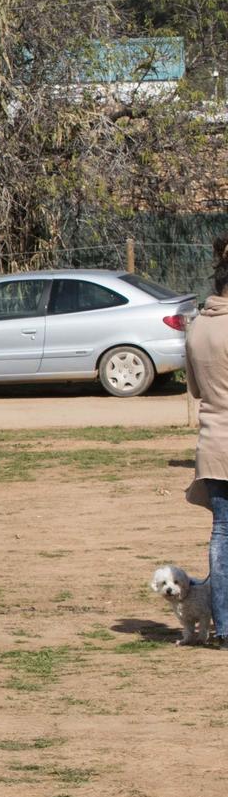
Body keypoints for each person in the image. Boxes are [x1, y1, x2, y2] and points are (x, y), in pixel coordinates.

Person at [186, 241, 228, 644]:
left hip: (212, 443)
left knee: (222, 534)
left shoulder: (198, 326)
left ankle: (224, 625)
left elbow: (197, 389)